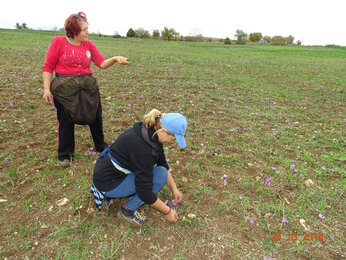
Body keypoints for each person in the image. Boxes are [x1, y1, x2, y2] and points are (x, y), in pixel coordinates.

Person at [42, 12, 130, 167]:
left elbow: (101, 63)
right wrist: (47, 89)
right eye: (84, 30)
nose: (87, 32)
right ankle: (65, 155)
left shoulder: (88, 45)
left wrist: (115, 59)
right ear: (73, 30)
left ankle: (100, 146)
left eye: (87, 28)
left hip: (88, 87)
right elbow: (48, 67)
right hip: (64, 89)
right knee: (65, 120)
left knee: (96, 117)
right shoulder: (58, 42)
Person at [90, 109, 187, 227]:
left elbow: (162, 162)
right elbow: (144, 191)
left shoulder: (149, 131)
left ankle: (112, 195)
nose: (173, 141)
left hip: (106, 174)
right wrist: (168, 211)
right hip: (108, 183)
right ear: (164, 131)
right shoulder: (144, 150)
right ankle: (127, 211)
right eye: (173, 138)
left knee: (161, 171)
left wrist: (174, 188)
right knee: (160, 176)